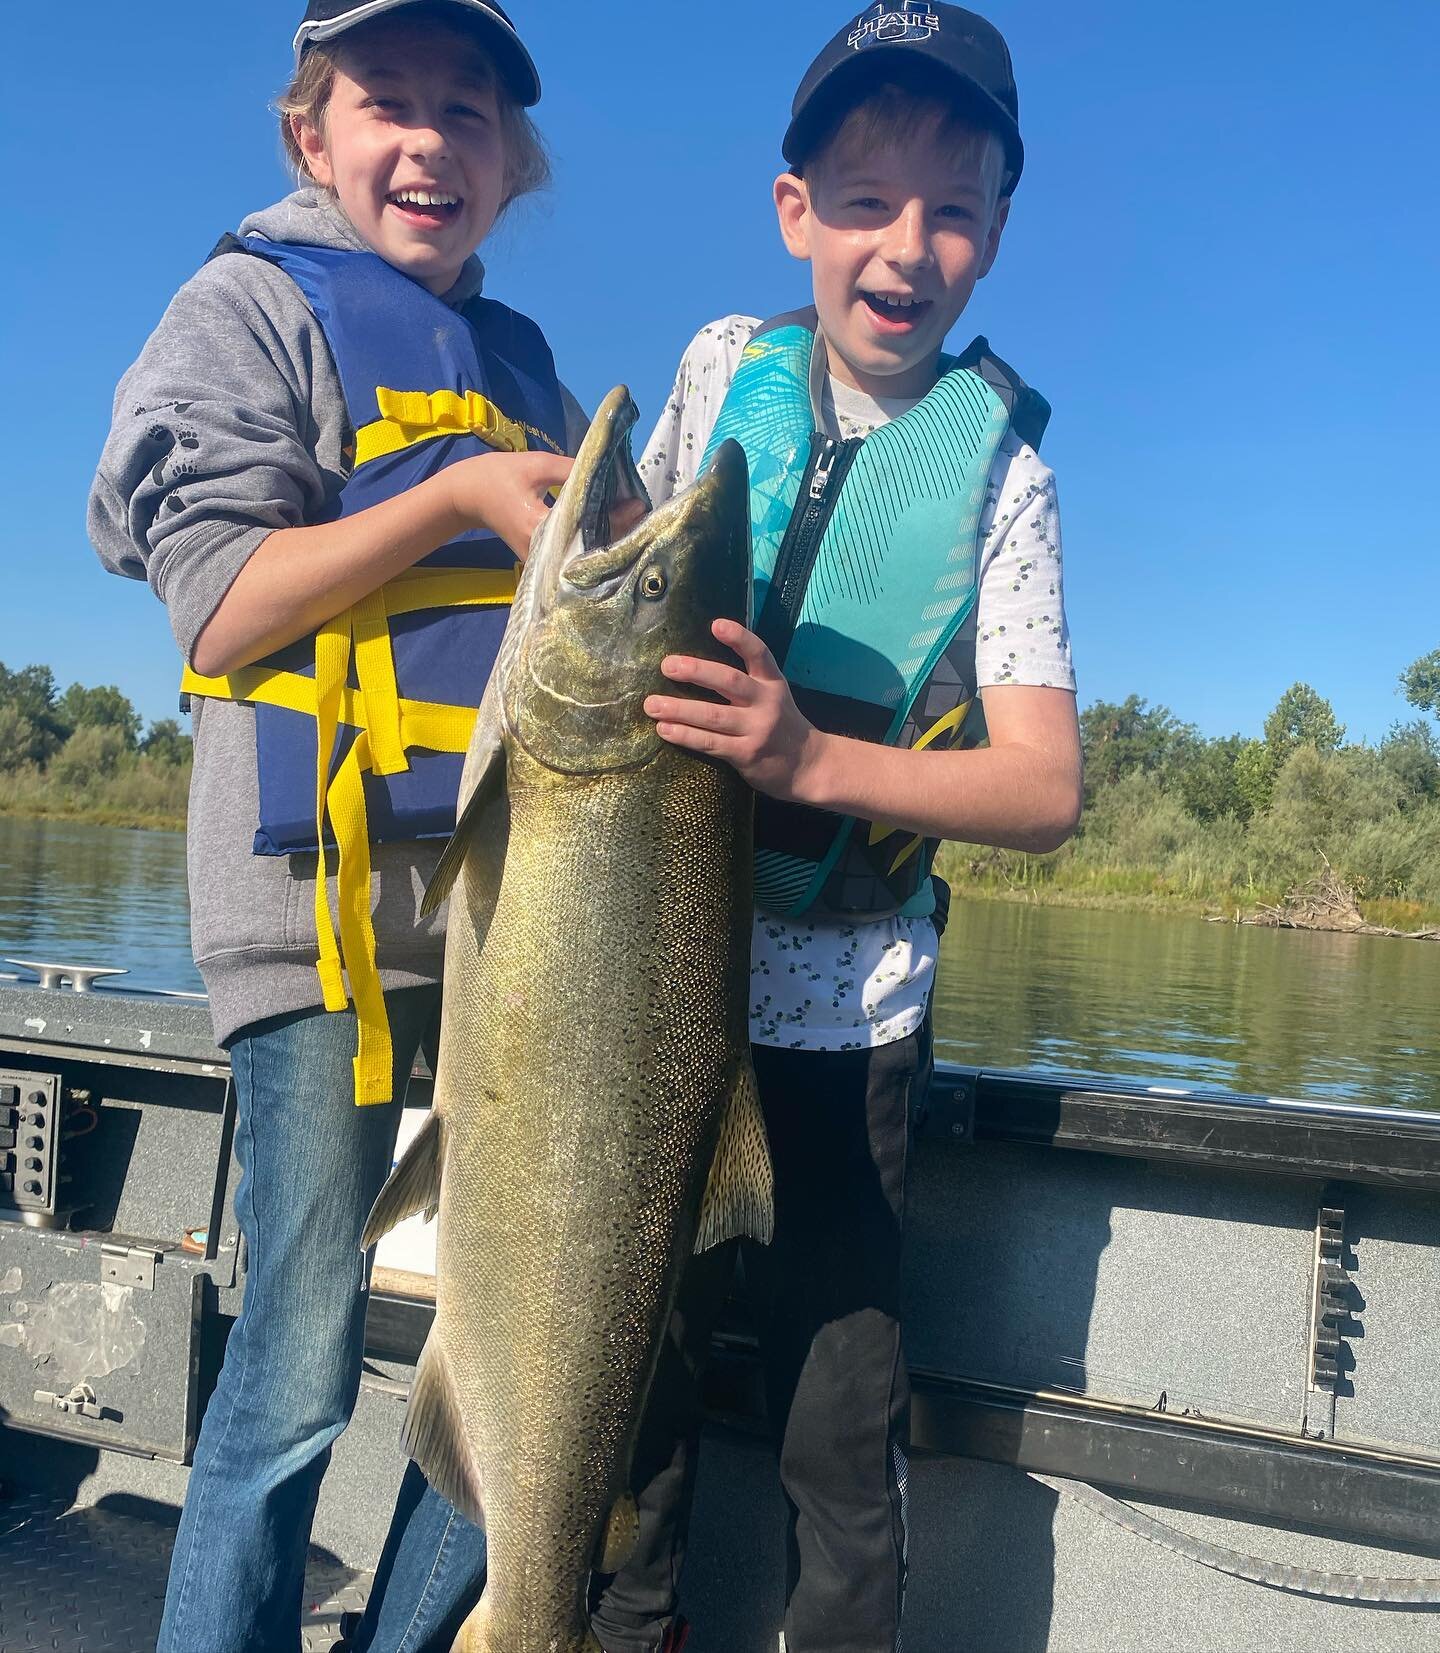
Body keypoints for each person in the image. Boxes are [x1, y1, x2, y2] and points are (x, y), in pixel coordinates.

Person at [87, 3, 585, 1648]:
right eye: (390, 103)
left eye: (470, 110)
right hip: (312, 929)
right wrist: (450, 493)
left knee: (512, 1349)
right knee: (298, 1365)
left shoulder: (521, 368)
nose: (432, 141)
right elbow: (219, 610)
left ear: (513, 161)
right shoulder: (243, 309)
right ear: (311, 135)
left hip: (506, 940)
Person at [591, 8, 1083, 1651]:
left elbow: (1043, 788)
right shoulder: (721, 370)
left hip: (844, 1022)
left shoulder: (1003, 476)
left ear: (1000, 231)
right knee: (628, 1383)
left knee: (834, 1432)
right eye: (866, 201)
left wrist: (811, 761)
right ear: (795, 209)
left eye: (954, 209)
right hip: (648, 987)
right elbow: (627, 592)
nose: (908, 245)